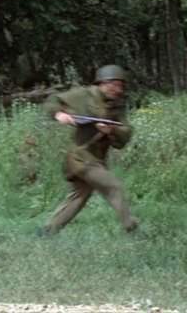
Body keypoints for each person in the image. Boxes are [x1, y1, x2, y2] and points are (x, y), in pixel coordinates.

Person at [39, 65, 138, 235]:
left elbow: (126, 132)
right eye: (115, 85)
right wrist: (59, 114)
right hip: (81, 157)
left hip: (95, 159)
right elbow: (52, 100)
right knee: (114, 187)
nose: (118, 90)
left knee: (79, 196)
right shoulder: (83, 95)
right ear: (103, 83)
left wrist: (112, 130)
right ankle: (131, 228)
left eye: (121, 86)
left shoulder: (115, 106)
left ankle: (48, 231)